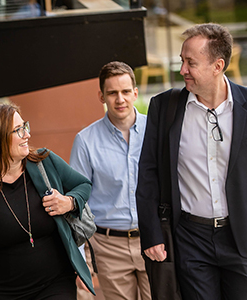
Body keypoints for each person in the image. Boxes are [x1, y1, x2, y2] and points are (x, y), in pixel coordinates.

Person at [136, 23, 247, 300]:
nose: (182, 70)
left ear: (217, 65)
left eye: (191, 63)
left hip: (241, 236)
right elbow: (148, 171)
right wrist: (152, 233)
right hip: (190, 238)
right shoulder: (165, 107)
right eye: (181, 61)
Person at [0, 103, 94, 300]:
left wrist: (70, 202)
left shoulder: (45, 162)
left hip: (55, 283)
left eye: (25, 126)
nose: (27, 135)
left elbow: (83, 185)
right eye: (18, 130)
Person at [70, 61, 151, 300]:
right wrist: (78, 258)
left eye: (126, 91)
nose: (120, 99)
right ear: (101, 96)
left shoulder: (155, 130)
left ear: (135, 93)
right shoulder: (85, 141)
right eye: (112, 93)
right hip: (108, 246)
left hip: (152, 241)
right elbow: (77, 201)